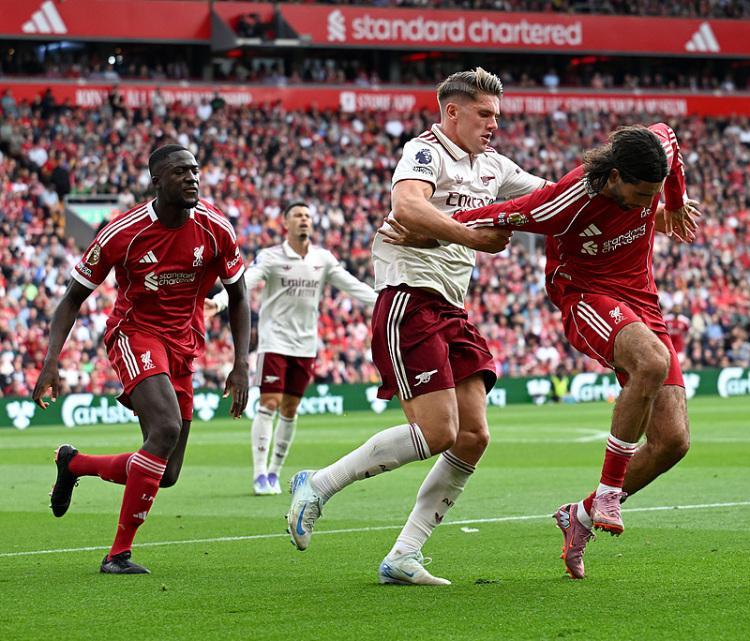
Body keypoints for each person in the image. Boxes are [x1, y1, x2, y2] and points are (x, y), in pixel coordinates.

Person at [285, 67, 547, 585]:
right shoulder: (425, 152)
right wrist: (473, 236)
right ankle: (318, 484)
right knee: (438, 431)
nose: (494, 124)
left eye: (496, 115)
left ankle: (404, 555)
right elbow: (407, 206)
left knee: (472, 436)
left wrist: (638, 200)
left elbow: (552, 197)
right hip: (408, 299)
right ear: (452, 112)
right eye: (484, 114)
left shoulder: (494, 166)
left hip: (451, 309)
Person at [437, 124, 700, 579]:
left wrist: (674, 202)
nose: (647, 204)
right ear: (614, 176)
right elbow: (495, 214)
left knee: (673, 442)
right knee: (652, 361)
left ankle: (580, 515)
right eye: (641, 196)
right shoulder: (567, 200)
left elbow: (672, 141)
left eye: (652, 195)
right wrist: (420, 224)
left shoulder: (654, 152)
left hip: (642, 299)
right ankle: (610, 492)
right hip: (585, 295)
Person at [31, 144, 250, 575]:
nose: (192, 178)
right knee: (166, 428)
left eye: (195, 170)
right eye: (180, 171)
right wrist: (51, 360)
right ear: (157, 181)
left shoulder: (216, 228)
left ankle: (74, 463)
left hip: (184, 344)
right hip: (135, 335)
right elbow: (72, 299)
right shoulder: (123, 232)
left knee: (166, 473)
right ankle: (117, 555)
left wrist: (241, 361)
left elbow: (239, 296)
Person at [205, 202, 376, 495]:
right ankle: (260, 474)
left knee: (290, 408)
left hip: (306, 344)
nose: (304, 219)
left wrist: (384, 302)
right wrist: (219, 302)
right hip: (274, 341)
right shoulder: (271, 257)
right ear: (286, 223)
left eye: (308, 215)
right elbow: (245, 282)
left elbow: (352, 285)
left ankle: (274, 472)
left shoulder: (323, 259)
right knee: (269, 402)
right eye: (298, 215)